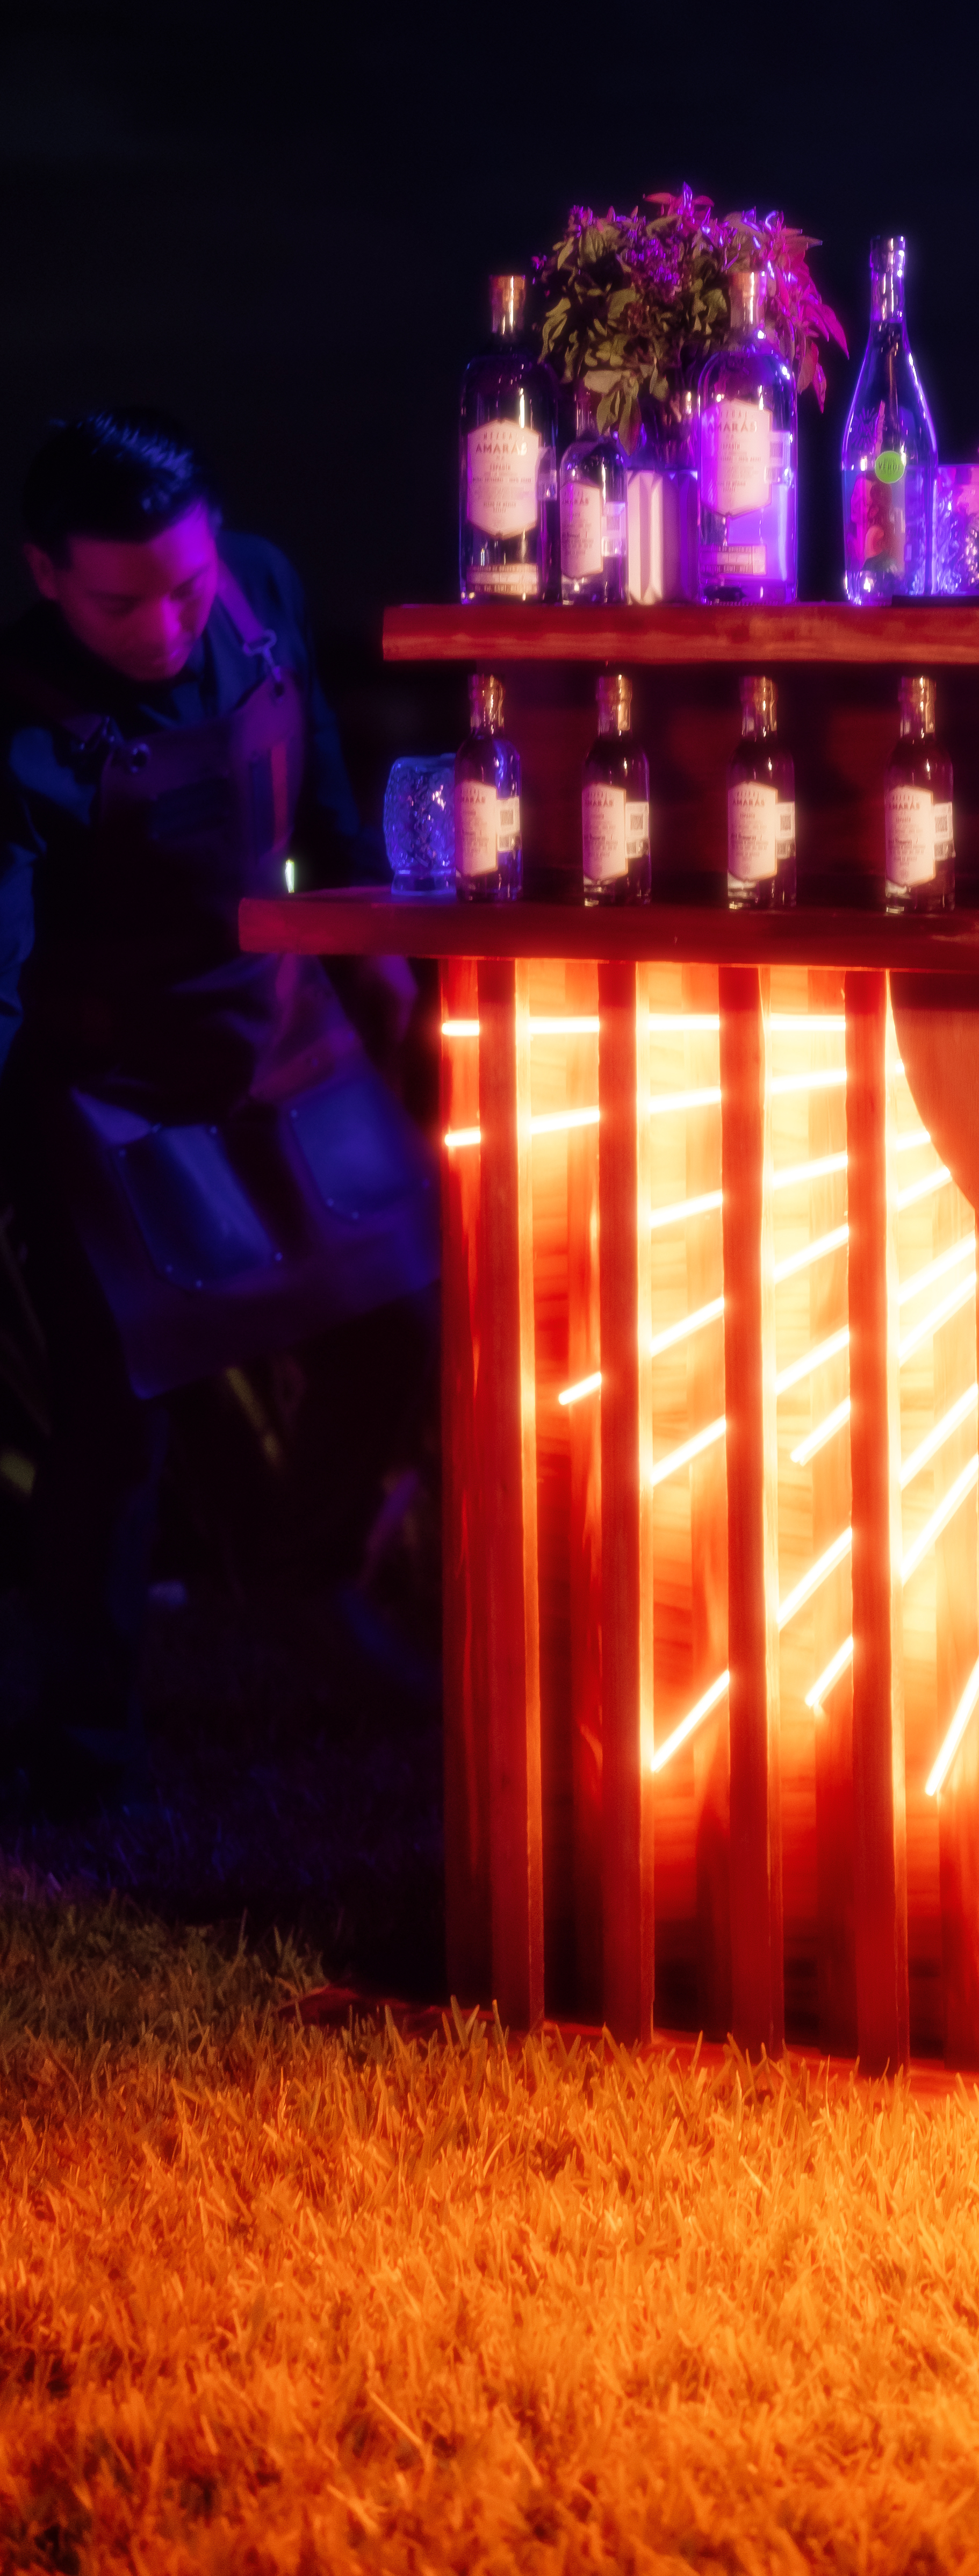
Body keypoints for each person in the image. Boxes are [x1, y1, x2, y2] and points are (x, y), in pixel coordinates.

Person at [0, 412, 437, 1807]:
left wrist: (366, 934)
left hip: (285, 1030)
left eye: (185, 585)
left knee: (416, 1326)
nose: (173, 621)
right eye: (125, 602)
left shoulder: (258, 581)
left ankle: (304, 1574)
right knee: (115, 1424)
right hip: (115, 1086)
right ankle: (84, 1758)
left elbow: (309, 756)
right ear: (48, 577)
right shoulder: (14, 721)